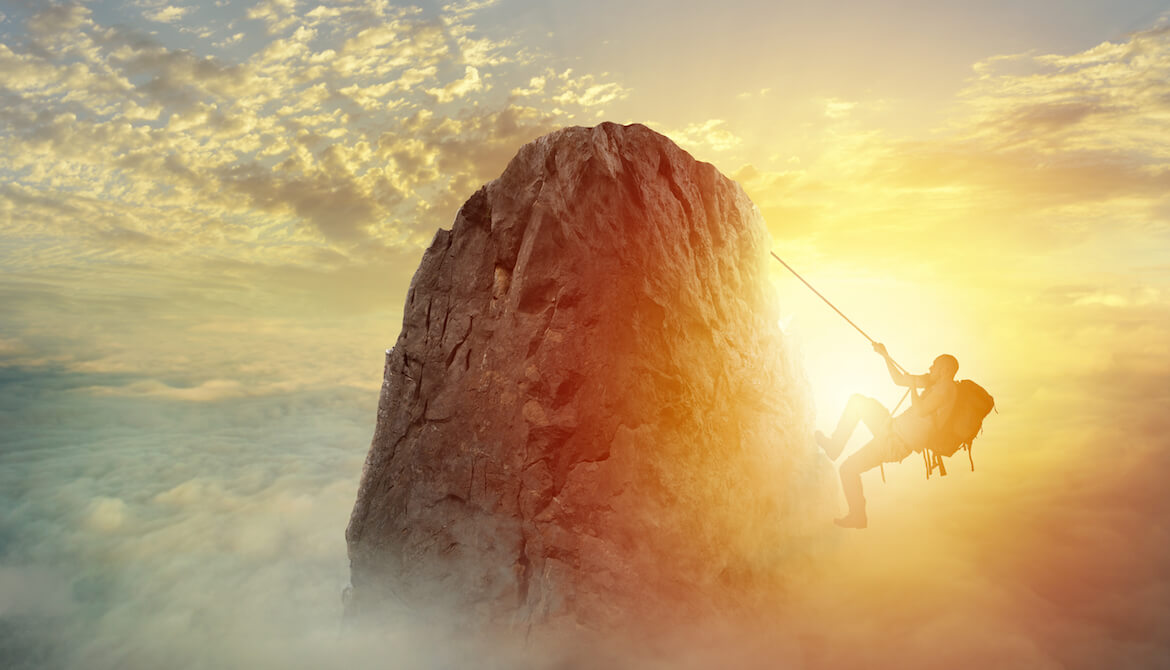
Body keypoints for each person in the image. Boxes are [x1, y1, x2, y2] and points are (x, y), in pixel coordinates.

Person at [815, 343, 959, 529]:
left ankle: (858, 516)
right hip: (891, 430)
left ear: (945, 370)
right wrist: (885, 355)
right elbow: (899, 380)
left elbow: (920, 409)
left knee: (847, 469)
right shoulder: (934, 383)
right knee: (858, 402)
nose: (930, 367)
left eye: (935, 365)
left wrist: (914, 387)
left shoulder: (946, 388)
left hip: (896, 443)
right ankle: (835, 446)